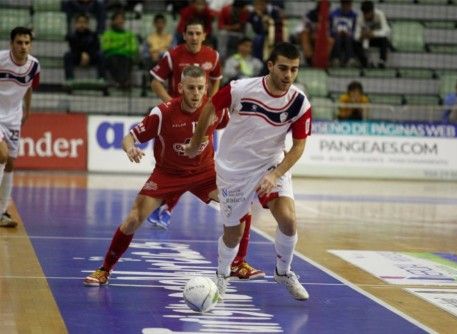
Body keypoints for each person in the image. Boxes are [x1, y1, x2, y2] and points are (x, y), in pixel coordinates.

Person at [83, 66, 264, 286]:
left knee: (240, 203)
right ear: (180, 88)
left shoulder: (214, 108)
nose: (196, 93)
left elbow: (235, 123)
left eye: (200, 88)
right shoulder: (164, 112)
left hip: (204, 173)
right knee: (133, 219)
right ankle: (105, 270)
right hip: (167, 174)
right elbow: (129, 138)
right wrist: (131, 149)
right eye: (190, 88)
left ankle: (238, 264)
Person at [185, 42, 312, 301]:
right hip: (233, 170)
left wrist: (275, 174)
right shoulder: (241, 89)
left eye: (294, 70)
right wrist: (198, 141)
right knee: (234, 233)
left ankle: (283, 271)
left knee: (288, 219)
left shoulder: (299, 102)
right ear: (270, 66)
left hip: (271, 165)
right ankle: (221, 275)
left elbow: (298, 147)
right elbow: (210, 108)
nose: (289, 75)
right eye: (283, 68)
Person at [148, 17, 222, 227]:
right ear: (184, 35)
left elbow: (216, 80)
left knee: (194, 165)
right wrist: (171, 105)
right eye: (190, 33)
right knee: (179, 165)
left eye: (198, 33)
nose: (194, 37)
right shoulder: (173, 55)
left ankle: (165, 209)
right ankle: (164, 208)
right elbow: (155, 81)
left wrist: (212, 104)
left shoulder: (213, 56)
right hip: (178, 120)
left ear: (204, 35)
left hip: (204, 119)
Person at [0, 27, 40, 228]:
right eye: (19, 42)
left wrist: (28, 109)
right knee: (1, 155)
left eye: (26, 43)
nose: (23, 46)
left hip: (14, 117)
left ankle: (1, 212)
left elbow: (30, 86)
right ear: (11, 43)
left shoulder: (34, 65)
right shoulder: (1, 60)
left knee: (10, 163)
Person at [100, 11, 139, 89]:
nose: (120, 21)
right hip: (112, 56)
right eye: (117, 19)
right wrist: (122, 45)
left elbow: (134, 48)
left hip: (126, 56)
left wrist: (115, 47)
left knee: (126, 60)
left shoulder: (129, 34)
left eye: (122, 19)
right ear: (113, 21)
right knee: (114, 59)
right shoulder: (107, 34)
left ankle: (120, 82)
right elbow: (106, 47)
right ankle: (124, 82)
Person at [63, 13, 105, 82]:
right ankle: (69, 80)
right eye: (79, 22)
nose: (82, 25)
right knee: (67, 56)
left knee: (101, 55)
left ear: (88, 24)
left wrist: (88, 55)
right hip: (78, 58)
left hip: (91, 57)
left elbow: (96, 47)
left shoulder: (93, 35)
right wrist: (81, 54)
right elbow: (74, 48)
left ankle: (101, 79)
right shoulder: (71, 36)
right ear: (75, 24)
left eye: (84, 22)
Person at [354, 0, 390, 68]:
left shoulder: (380, 14)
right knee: (355, 43)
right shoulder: (360, 18)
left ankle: (382, 61)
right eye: (365, 14)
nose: (366, 16)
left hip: (377, 39)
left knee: (384, 39)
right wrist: (361, 36)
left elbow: (387, 31)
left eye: (368, 13)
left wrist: (373, 33)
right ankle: (365, 62)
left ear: (372, 11)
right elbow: (356, 35)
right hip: (366, 40)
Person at [329, 0, 357, 67]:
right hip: (336, 35)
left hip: (349, 36)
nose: (346, 6)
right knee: (337, 38)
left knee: (348, 39)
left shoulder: (354, 15)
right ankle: (336, 59)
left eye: (348, 4)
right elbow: (329, 28)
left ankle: (350, 59)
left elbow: (356, 29)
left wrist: (350, 33)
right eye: (344, 3)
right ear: (341, 4)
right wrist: (335, 32)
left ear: (350, 4)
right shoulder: (333, 14)